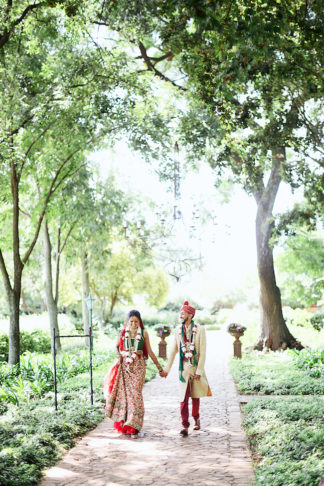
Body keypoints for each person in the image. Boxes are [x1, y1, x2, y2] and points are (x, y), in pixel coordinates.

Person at [103, 309, 166, 439]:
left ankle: (134, 426)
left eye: (136, 321)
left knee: (135, 394)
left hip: (139, 367)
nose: (133, 324)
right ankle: (126, 426)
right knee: (125, 396)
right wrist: (119, 356)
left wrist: (159, 368)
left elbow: (150, 351)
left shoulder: (143, 333)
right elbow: (116, 347)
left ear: (139, 322)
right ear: (128, 321)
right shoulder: (122, 332)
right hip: (125, 368)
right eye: (131, 321)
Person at [163, 301, 212, 436]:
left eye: (183, 313)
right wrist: (166, 369)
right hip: (183, 369)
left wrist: (199, 371)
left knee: (195, 397)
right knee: (183, 398)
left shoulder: (200, 330)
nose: (181, 315)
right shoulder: (178, 331)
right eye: (180, 313)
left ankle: (196, 418)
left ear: (190, 315)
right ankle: (185, 425)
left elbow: (202, 352)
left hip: (195, 367)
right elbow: (173, 351)